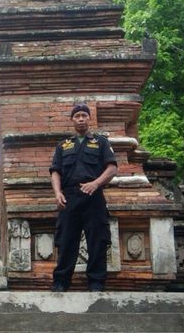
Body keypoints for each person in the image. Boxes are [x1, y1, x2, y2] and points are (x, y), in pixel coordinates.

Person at [49, 103, 117, 292]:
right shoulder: (63, 145)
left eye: (84, 115)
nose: (81, 118)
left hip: (93, 197)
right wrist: (57, 193)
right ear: (72, 119)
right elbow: (55, 172)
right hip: (69, 198)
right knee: (66, 240)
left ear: (89, 119)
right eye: (77, 115)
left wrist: (95, 183)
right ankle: (61, 282)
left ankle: (96, 282)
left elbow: (112, 168)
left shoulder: (101, 142)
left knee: (97, 239)